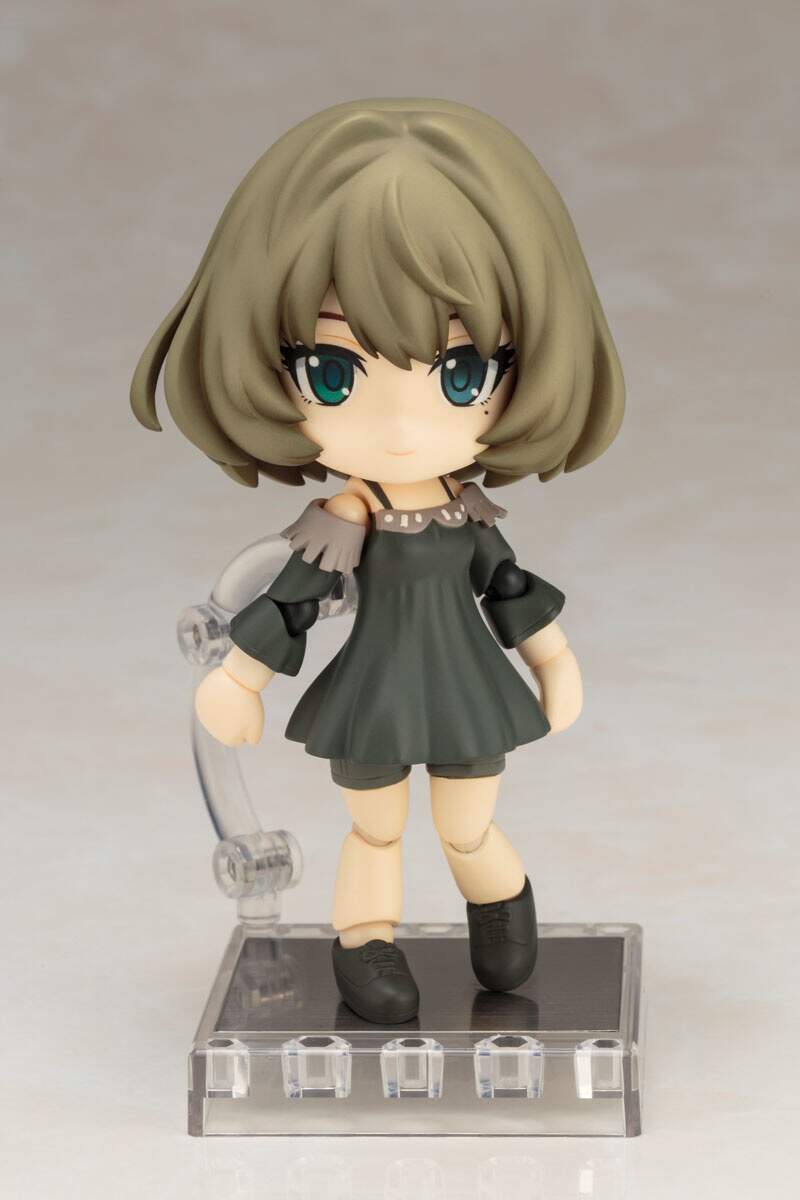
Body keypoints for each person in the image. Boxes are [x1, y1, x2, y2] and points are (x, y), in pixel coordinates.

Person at [131, 99, 624, 1024]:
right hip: (375, 692)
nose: (400, 427)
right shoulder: (341, 522)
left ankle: (502, 906)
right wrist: (238, 679)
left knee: (468, 825)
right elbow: (291, 603)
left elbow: (507, 585)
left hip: (468, 687)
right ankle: (365, 945)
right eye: (333, 372)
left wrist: (553, 658)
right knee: (376, 827)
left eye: (462, 374)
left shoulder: (466, 510)